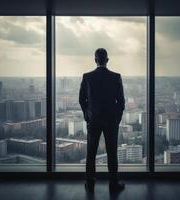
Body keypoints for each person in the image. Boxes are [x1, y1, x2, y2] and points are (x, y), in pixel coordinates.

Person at [79, 48, 125, 193]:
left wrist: (87, 116)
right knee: (112, 152)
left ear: (95, 60)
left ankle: (90, 183)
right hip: (111, 121)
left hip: (93, 121)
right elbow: (121, 101)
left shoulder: (87, 77)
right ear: (107, 60)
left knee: (91, 152)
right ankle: (113, 184)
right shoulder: (116, 76)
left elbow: (82, 99)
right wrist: (116, 119)